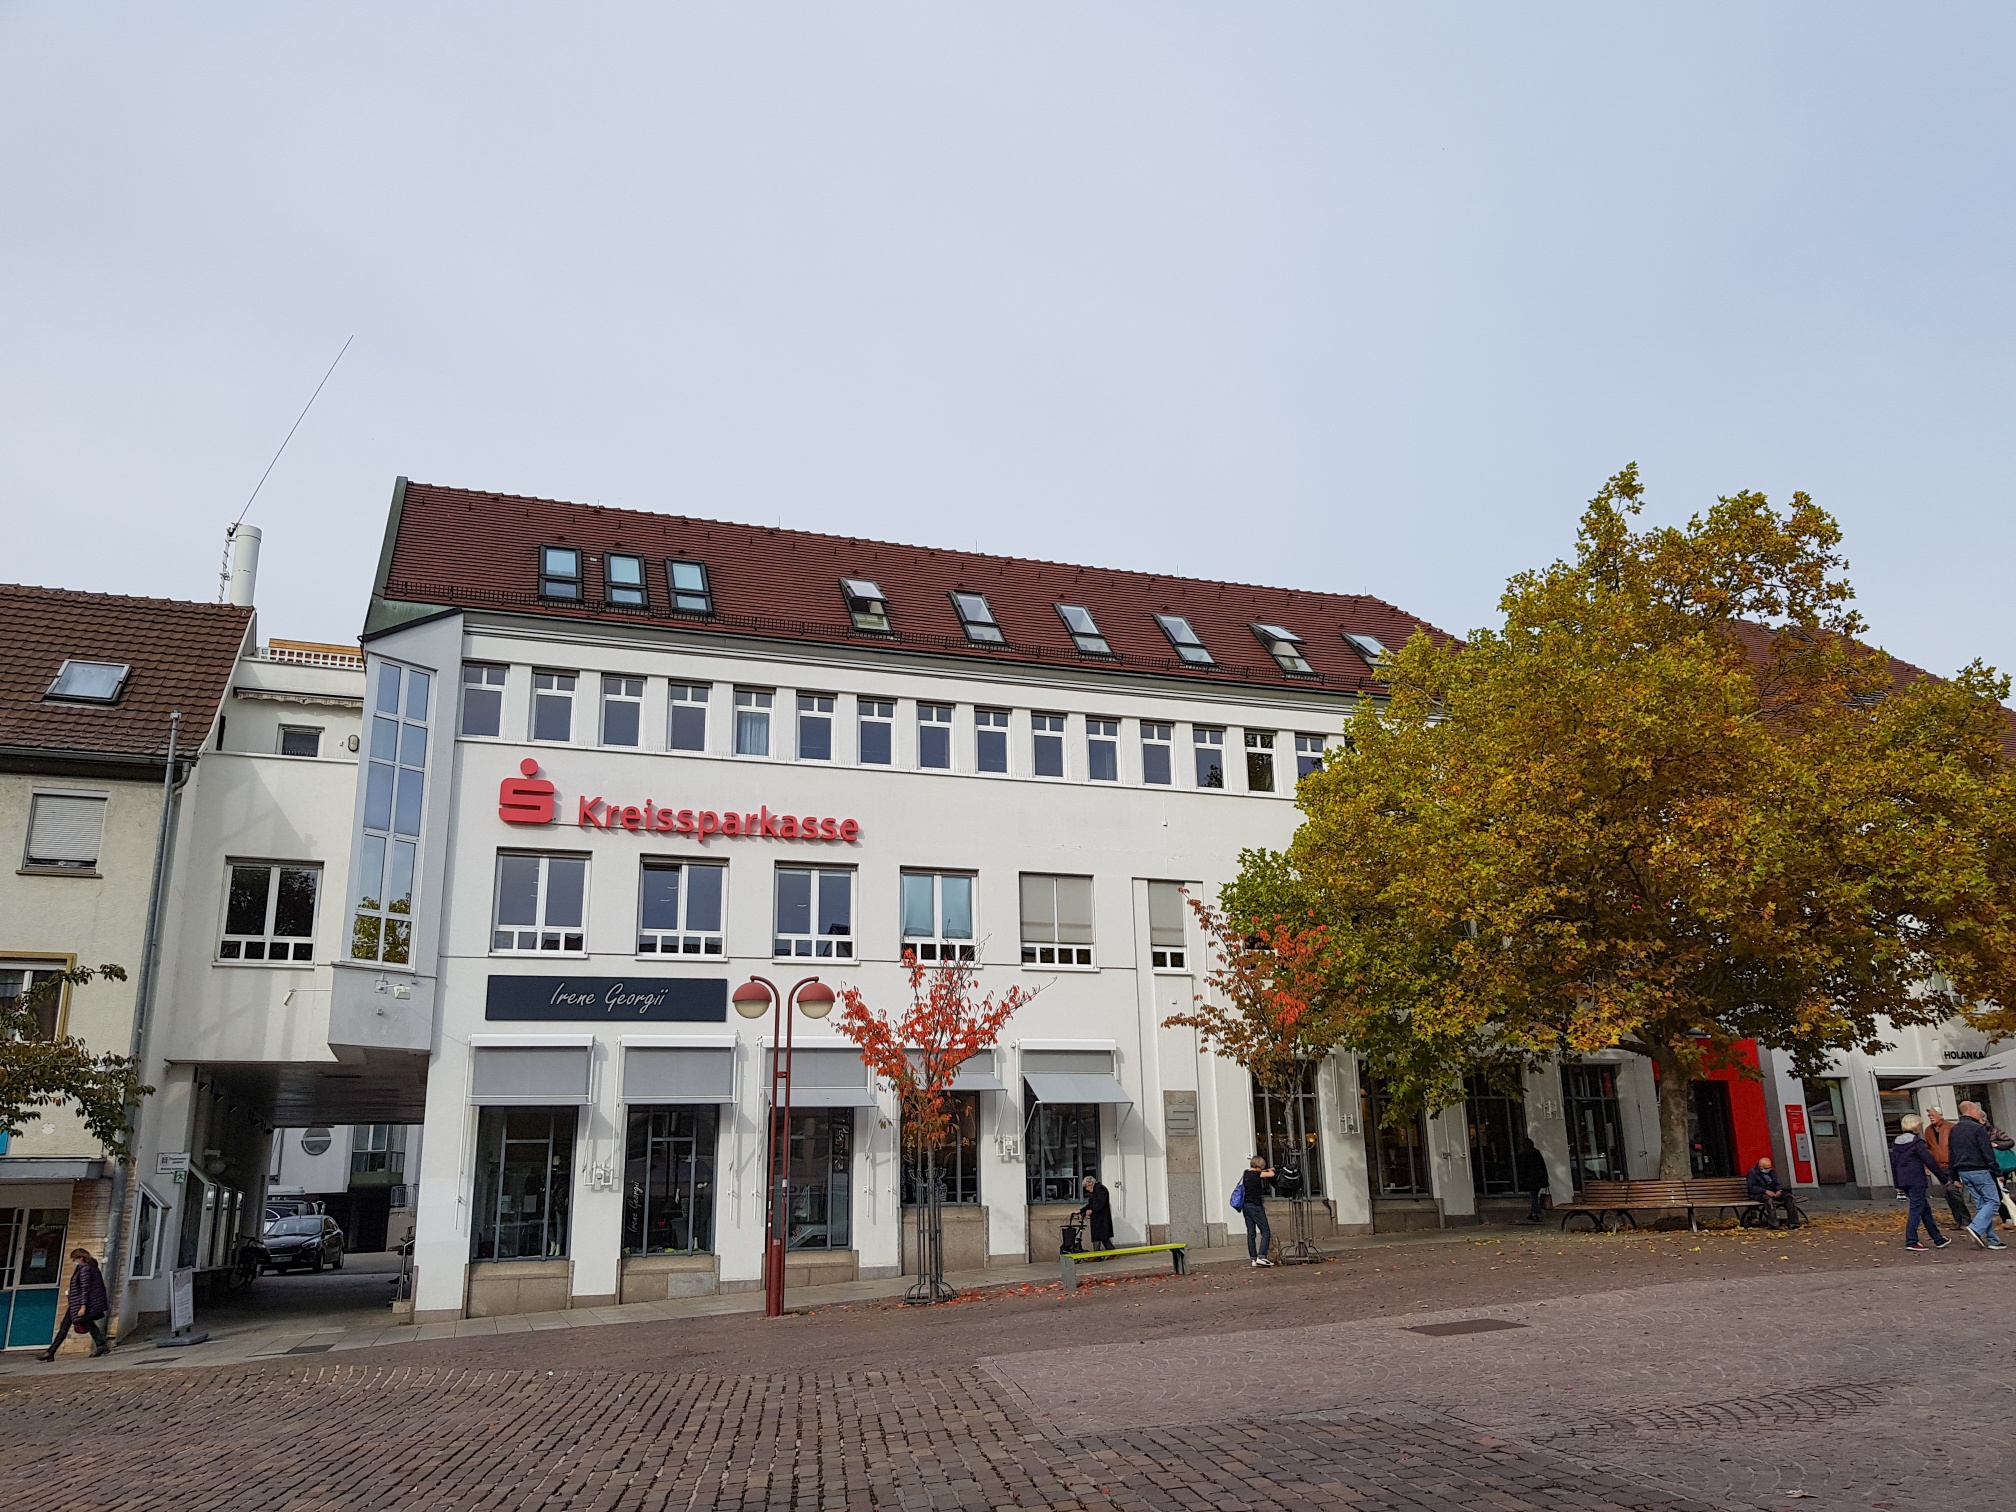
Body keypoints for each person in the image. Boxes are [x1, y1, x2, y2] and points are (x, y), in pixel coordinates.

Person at [1949, 1101, 2007, 1250]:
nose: (1979, 1112)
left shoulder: (1954, 1130)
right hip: (1980, 1169)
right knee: (1993, 1201)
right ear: (1970, 1110)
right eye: (1976, 1109)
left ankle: (1993, 1240)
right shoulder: (1978, 1129)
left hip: (1963, 1171)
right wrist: (1997, 1172)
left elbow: (1952, 1154)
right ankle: (1976, 1228)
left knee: (1982, 1204)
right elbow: (1987, 1152)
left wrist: (1954, 1176)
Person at [1890, 1115, 1950, 1252]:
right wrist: (1943, 1178)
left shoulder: (1897, 1143)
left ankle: (1938, 1239)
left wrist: (1897, 1183)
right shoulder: (1917, 1143)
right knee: (1917, 1209)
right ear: (1916, 1127)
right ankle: (1911, 1240)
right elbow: (1930, 1161)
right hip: (1916, 1180)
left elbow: (1894, 1164)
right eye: (1920, 1125)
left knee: (1924, 1209)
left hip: (1903, 1180)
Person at [37, 1247, 110, 1360]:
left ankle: (50, 1352)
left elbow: (85, 1288)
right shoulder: (89, 1268)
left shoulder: (85, 1269)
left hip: (80, 1304)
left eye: (74, 1259)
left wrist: (83, 1306)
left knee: (68, 1326)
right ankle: (101, 1345)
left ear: (81, 1258)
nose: (73, 1262)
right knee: (80, 1324)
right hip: (78, 1303)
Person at [1922, 1108, 1973, 1229]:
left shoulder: (1951, 1127)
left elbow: (1958, 1146)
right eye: (1929, 1115)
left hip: (1952, 1164)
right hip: (1939, 1167)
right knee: (1948, 1194)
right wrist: (1927, 1165)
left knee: (1953, 1191)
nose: (1930, 1117)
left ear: (1940, 1115)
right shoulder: (1928, 1130)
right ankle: (1958, 1220)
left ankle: (1965, 1219)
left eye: (1933, 1115)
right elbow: (1928, 1148)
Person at [1744, 1156, 1802, 1229]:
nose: (1769, 1169)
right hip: (1759, 1194)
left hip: (1773, 1192)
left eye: (1770, 1167)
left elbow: (1776, 1183)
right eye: (1766, 1168)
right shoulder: (1752, 1173)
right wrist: (1765, 1191)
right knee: (1768, 1200)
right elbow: (1751, 1188)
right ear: (1760, 1167)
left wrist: (1778, 1190)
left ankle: (1794, 1222)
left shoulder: (1772, 1172)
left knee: (1789, 1197)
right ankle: (1774, 1224)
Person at [1241, 1156, 1276, 1267]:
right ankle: (1262, 1256)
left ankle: (1253, 1258)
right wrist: (1271, 1170)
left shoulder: (1246, 1173)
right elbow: (1271, 1175)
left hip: (1245, 1206)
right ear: (1260, 1165)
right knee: (1266, 1232)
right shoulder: (1257, 1175)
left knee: (1251, 1233)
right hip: (1256, 1206)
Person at [1514, 1137, 1550, 1223]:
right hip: (1539, 1178)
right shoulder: (1536, 1152)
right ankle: (1533, 1212)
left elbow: (1522, 1168)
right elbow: (1542, 1165)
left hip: (1530, 1179)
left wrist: (1521, 1179)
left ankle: (1535, 1213)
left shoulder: (1523, 1154)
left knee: (1533, 1196)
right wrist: (1545, 1177)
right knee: (1534, 1195)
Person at [1076, 1174, 1115, 1252]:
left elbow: (1101, 1203)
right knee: (1103, 1237)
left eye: (1087, 1186)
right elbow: (1090, 1204)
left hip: (1102, 1218)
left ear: (1090, 1184)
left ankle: (1096, 1254)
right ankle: (1112, 1252)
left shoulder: (1100, 1189)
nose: (1087, 1189)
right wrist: (1081, 1210)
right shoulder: (1094, 1192)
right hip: (1098, 1218)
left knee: (1099, 1236)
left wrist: (1092, 1210)